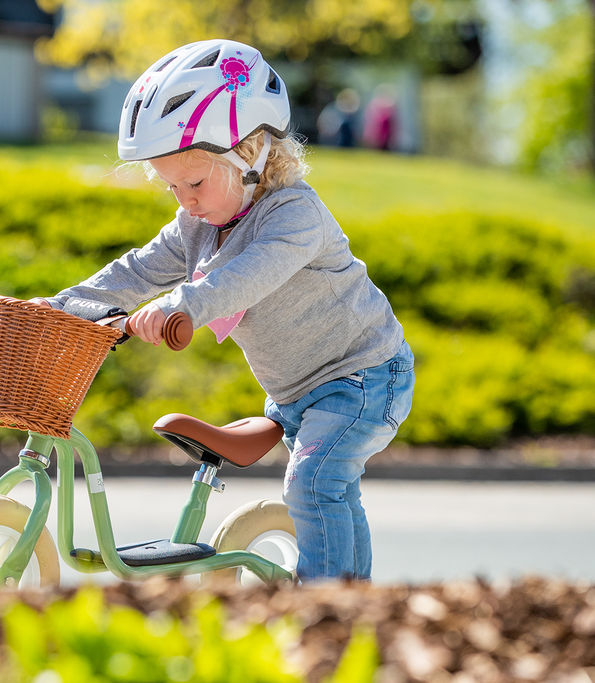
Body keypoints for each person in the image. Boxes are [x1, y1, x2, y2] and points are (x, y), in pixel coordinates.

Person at [37, 39, 414, 582]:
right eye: (171, 186)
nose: (183, 200)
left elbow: (242, 280)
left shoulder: (295, 217)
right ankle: (352, 596)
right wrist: (63, 306)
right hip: (293, 391)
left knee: (314, 483)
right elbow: (136, 270)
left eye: (193, 182)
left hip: (362, 377)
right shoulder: (200, 225)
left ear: (253, 153)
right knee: (331, 491)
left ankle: (327, 608)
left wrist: (177, 306)